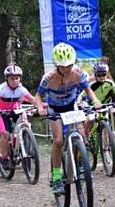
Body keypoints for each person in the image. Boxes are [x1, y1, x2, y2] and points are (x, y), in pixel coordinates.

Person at [33, 42, 103, 195]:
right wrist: (40, 108)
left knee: (82, 136)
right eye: (63, 66)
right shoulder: (48, 77)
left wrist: (96, 101)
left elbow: (88, 89)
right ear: (57, 65)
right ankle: (57, 177)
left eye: (69, 65)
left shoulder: (78, 73)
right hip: (55, 108)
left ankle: (80, 160)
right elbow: (37, 96)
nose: (67, 69)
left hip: (72, 106)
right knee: (58, 141)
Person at [0, 65, 36, 170]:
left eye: (17, 78)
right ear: (7, 79)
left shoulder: (21, 89)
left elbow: (32, 99)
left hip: (14, 111)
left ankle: (18, 148)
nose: (15, 81)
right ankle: (3, 157)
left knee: (23, 126)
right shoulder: (2, 88)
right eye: (12, 78)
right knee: (5, 134)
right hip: (0, 112)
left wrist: (43, 104)